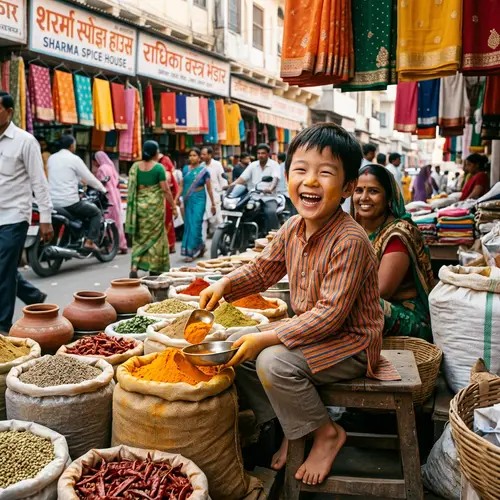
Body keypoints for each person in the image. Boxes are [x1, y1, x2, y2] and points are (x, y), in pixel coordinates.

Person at [200, 123, 397, 486]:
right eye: (300, 170)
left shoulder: (350, 239)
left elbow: (330, 315)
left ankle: (325, 433)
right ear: (286, 175)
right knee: (232, 346)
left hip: (350, 342)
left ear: (348, 188)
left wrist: (266, 337)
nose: (310, 181)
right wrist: (224, 285)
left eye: (325, 173)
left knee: (272, 362)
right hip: (311, 332)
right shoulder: (293, 227)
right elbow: (262, 271)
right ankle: (296, 429)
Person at [353, 164, 434, 340]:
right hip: (367, 302)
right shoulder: (354, 226)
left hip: (406, 314)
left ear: (388, 197)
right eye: (358, 190)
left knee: (357, 306)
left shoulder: (398, 235)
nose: (364, 198)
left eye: (373, 191)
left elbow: (380, 291)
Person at [0, 91, 53, 333]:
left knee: (3, 270)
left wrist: (45, 218)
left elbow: (38, 182)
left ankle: (2, 326)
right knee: (5, 268)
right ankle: (34, 296)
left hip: (14, 216)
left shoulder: (25, 141)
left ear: (9, 112)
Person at [125, 140, 177, 278]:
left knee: (139, 238)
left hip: (139, 209)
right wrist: (173, 206)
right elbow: (165, 190)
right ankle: (154, 267)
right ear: (155, 153)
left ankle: (134, 267)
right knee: (156, 238)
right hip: (154, 209)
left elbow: (132, 189)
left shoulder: (135, 167)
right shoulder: (159, 168)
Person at [48, 134, 106, 251]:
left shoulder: (51, 158)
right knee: (95, 212)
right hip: (69, 203)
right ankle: (89, 242)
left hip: (52, 202)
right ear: (71, 145)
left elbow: (69, 176)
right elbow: (89, 178)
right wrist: (102, 189)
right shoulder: (74, 159)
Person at [176, 147, 216, 262]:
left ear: (199, 158)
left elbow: (209, 188)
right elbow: (181, 186)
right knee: (188, 224)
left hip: (199, 198)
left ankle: (191, 252)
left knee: (196, 223)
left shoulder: (204, 171)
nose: (192, 158)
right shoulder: (185, 169)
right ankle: (200, 246)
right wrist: (175, 199)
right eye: (190, 155)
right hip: (188, 199)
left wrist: (213, 204)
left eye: (194, 155)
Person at [232, 144, 281, 233]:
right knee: (242, 210)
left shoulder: (274, 165)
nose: (260, 155)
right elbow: (242, 178)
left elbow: (275, 178)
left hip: (269, 197)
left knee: (270, 212)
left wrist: (270, 188)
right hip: (253, 197)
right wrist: (230, 186)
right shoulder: (253, 165)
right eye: (258, 153)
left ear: (268, 154)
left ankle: (274, 237)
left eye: (263, 153)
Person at [93, 152, 128, 254]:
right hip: (116, 196)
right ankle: (122, 244)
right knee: (117, 221)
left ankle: (112, 246)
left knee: (108, 221)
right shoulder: (110, 167)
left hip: (107, 197)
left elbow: (101, 184)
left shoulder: (101, 169)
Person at [201, 146, 226, 233]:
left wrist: (223, 191)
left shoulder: (217, 165)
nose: (202, 156)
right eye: (201, 154)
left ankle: (220, 234)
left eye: (204, 154)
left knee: (217, 215)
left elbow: (222, 179)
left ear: (210, 155)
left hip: (215, 193)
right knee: (205, 215)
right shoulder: (201, 166)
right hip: (204, 193)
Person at [159, 152, 179, 253]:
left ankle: (168, 245)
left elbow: (168, 189)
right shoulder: (165, 172)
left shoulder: (165, 174)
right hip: (165, 199)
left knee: (167, 222)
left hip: (163, 199)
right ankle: (170, 245)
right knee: (167, 222)